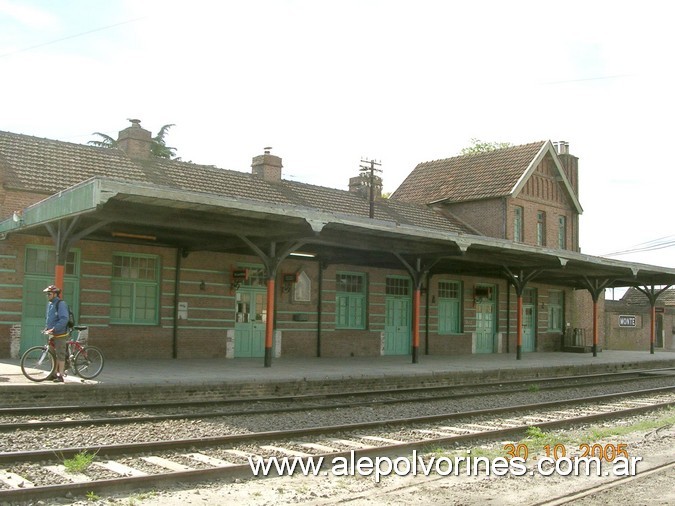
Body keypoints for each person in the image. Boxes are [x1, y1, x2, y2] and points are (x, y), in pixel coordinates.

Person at [43, 285, 70, 383]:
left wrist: (55, 329)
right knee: (52, 354)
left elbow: (64, 319)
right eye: (47, 294)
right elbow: (49, 318)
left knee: (60, 354)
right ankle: (53, 373)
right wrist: (47, 328)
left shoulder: (61, 304)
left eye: (49, 294)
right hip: (52, 333)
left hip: (60, 334)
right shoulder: (50, 304)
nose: (47, 296)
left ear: (55, 294)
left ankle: (60, 375)